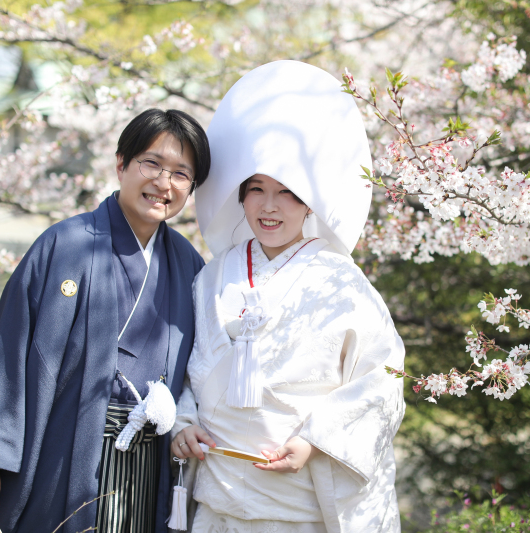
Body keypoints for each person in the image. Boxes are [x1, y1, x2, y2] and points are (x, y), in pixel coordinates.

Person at [0, 108, 210, 533]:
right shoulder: (65, 245)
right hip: (65, 451)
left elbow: (203, 367)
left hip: (150, 461)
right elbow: (10, 353)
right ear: (121, 164)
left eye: (182, 174)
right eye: (152, 164)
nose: (164, 183)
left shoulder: (189, 265)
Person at [170, 60, 406, 533]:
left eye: (287, 193)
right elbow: (187, 366)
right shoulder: (214, 276)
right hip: (218, 494)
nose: (269, 206)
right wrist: (183, 422)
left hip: (300, 503)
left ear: (309, 202)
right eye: (256, 190)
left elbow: (381, 381)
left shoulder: (343, 283)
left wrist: (316, 442)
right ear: (240, 198)